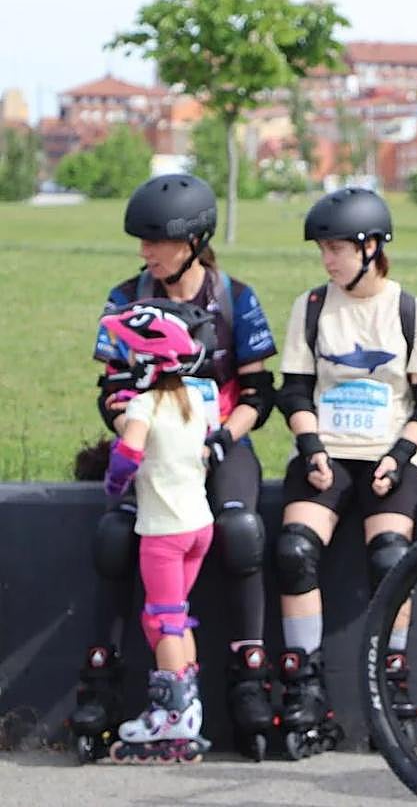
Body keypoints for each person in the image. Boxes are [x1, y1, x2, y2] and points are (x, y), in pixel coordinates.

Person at [73, 174, 278, 761]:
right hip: (158, 447)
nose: (144, 252)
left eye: (154, 240)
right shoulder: (125, 295)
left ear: (192, 240)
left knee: (241, 531)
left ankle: (248, 680)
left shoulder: (236, 297)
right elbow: (111, 390)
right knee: (117, 536)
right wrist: (137, 434)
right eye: (140, 241)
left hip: (218, 441)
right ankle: (101, 681)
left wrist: (219, 439)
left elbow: (259, 394)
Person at [273, 188, 417, 758]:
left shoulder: (409, 310)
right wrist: (310, 444)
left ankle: (389, 687)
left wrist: (398, 456)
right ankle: (305, 686)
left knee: (391, 556)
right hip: (329, 451)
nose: (328, 260)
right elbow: (294, 388)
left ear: (372, 248)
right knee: (294, 550)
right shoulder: (313, 306)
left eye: (338, 248)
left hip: (390, 451)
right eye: (324, 249)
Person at [98, 300, 216, 762]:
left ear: (145, 360)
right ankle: (189, 705)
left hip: (164, 532)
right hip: (198, 525)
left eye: (130, 354)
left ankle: (172, 717)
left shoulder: (145, 405)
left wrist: (113, 485)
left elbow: (128, 455)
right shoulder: (191, 400)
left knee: (163, 618)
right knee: (175, 616)